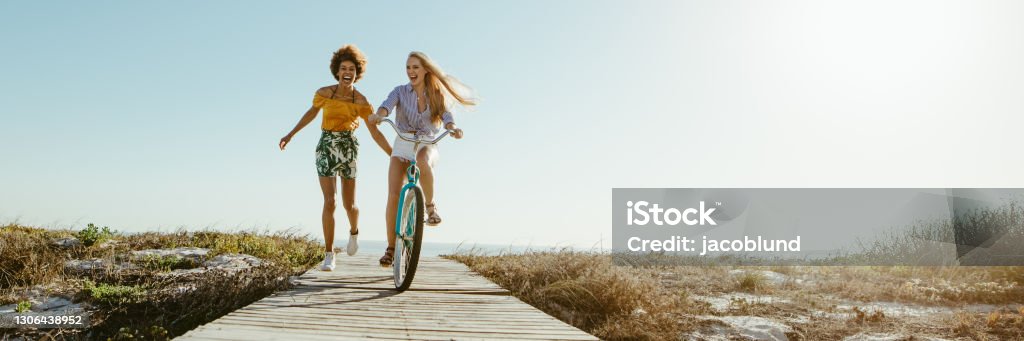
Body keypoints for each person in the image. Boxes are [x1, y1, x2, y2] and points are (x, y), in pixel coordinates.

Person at [279, 44, 390, 271]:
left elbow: (375, 132)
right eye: (343, 68)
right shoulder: (324, 94)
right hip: (326, 145)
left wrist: (392, 154)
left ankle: (353, 232)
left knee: (350, 206)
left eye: (351, 69)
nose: (347, 72)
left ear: (357, 74)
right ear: (337, 72)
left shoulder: (361, 102)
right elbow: (311, 113)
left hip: (348, 147)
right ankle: (329, 254)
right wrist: (291, 134)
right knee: (330, 201)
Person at [368, 51, 476, 267]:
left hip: (427, 142)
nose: (411, 72)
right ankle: (391, 248)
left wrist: (452, 128)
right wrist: (379, 115)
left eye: (415, 67)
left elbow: (447, 116)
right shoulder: (399, 91)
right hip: (403, 141)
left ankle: (430, 206)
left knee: (423, 161)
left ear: (426, 69)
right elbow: (387, 104)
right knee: (393, 195)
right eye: (408, 67)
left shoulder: (436, 94)